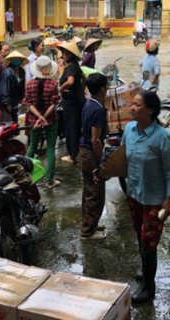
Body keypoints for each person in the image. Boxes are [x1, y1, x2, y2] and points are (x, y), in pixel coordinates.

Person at [122, 90, 170, 303]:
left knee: (148, 241)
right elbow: (122, 157)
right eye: (132, 104)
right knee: (140, 235)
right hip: (134, 193)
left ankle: (148, 287)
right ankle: (146, 270)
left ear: (150, 110)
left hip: (155, 199)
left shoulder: (162, 137)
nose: (132, 108)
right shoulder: (129, 129)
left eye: (137, 105)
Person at [79, 73, 109, 240]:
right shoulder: (97, 109)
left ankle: (90, 222)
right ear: (103, 89)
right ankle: (87, 231)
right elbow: (95, 139)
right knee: (94, 192)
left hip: (84, 150)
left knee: (89, 189)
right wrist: (101, 160)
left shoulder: (89, 103)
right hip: (90, 153)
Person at [25, 56, 61, 189]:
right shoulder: (53, 84)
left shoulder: (30, 84)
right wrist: (44, 118)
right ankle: (50, 181)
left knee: (32, 146)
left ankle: (24, 176)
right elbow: (53, 104)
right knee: (51, 149)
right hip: (50, 120)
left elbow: (29, 104)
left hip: (34, 120)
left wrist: (39, 118)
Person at [57, 41, 85, 164]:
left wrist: (60, 89)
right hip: (76, 100)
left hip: (72, 103)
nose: (65, 54)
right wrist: (82, 90)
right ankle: (75, 151)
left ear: (73, 54)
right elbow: (85, 78)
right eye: (64, 52)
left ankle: (72, 156)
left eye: (68, 52)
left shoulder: (72, 66)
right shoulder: (73, 66)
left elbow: (70, 81)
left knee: (71, 128)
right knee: (75, 127)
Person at [0, 50, 27, 122]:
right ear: (10, 60)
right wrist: (6, 103)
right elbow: (4, 88)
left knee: (16, 123)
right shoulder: (7, 72)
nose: (16, 60)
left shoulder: (21, 72)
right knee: (8, 123)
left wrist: (21, 98)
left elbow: (22, 87)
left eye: (18, 59)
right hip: (8, 103)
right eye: (14, 59)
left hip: (16, 102)